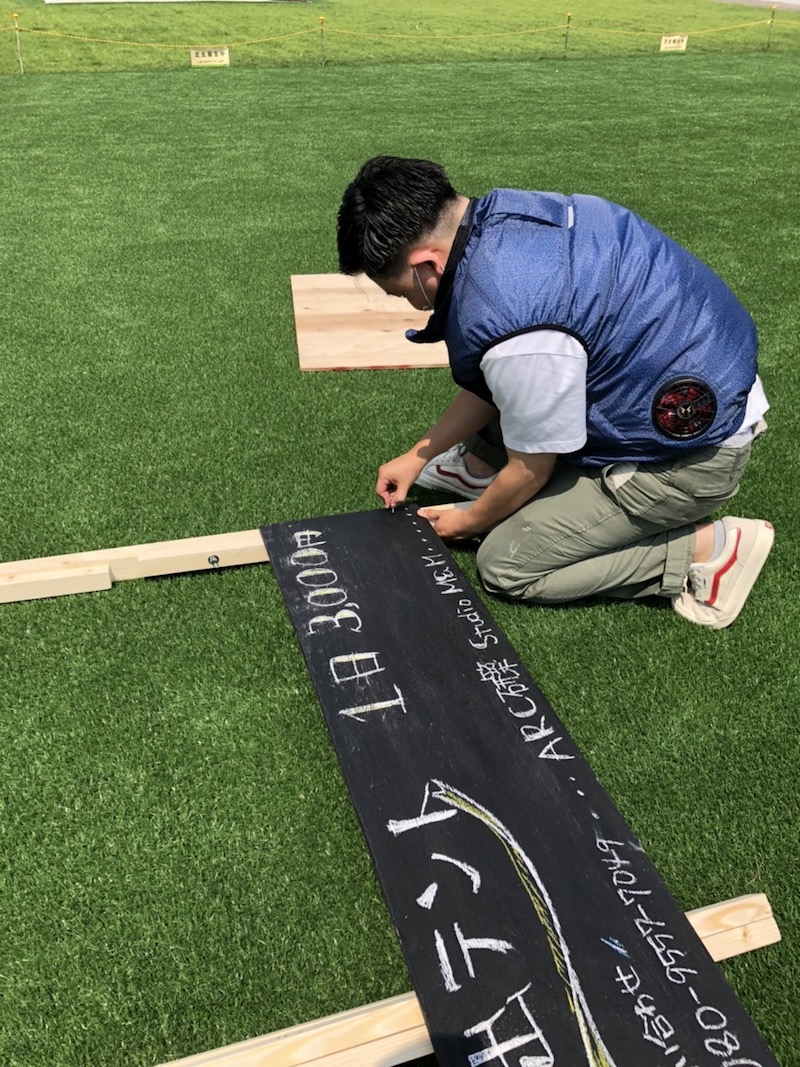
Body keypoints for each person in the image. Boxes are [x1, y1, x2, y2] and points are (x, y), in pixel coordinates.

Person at [336, 156, 774, 628]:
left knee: (506, 564)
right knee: (516, 381)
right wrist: (417, 456)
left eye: (402, 292)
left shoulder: (513, 319)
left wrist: (469, 521)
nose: (410, 304)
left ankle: (712, 550)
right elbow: (503, 375)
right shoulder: (505, 215)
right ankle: (482, 469)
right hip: (693, 382)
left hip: (690, 461)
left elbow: (531, 468)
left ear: (428, 266)